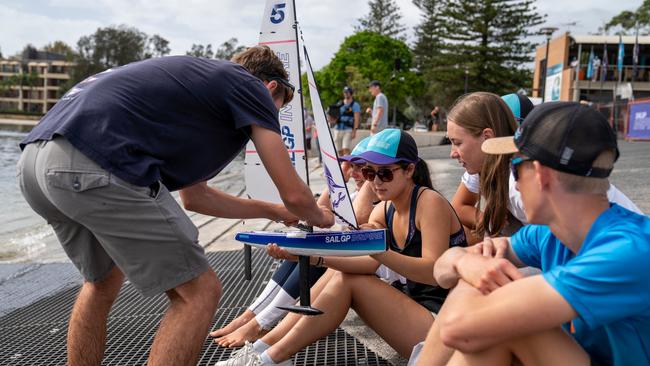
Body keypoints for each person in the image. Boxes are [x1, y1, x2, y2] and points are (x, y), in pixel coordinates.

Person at [16, 45, 334, 366]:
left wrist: (274, 212)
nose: (273, 116)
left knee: (102, 282)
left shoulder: (201, 93)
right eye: (278, 108)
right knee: (198, 292)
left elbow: (197, 198)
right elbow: (294, 194)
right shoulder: (249, 87)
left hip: (36, 163)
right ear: (272, 88)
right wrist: (320, 216)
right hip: (94, 162)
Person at [416, 101, 650, 366]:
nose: (513, 181)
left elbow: (456, 329)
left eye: (514, 167)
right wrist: (463, 262)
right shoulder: (548, 234)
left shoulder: (627, 251)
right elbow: (442, 270)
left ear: (540, 176)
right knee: (483, 289)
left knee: (498, 318)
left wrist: (476, 272)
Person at [217, 128, 468, 366]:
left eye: (385, 173)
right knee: (343, 274)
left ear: (409, 169)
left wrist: (380, 252)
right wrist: (309, 257)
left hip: (446, 325)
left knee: (348, 280)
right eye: (370, 173)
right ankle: (266, 350)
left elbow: (434, 272)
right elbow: (368, 264)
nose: (376, 182)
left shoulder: (429, 203)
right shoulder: (383, 209)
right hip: (420, 318)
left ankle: (270, 357)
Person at [210, 137, 378, 348]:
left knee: (313, 256)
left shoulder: (376, 194)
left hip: (366, 267)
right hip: (350, 259)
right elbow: (318, 214)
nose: (353, 173)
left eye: (361, 168)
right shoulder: (353, 191)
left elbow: (357, 226)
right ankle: (250, 316)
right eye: (351, 166)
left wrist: (369, 182)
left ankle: (259, 323)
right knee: (300, 249)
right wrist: (336, 179)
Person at [448, 92, 641, 244]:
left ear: (542, 174)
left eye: (457, 143)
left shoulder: (526, 192)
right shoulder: (494, 167)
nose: (452, 153)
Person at [333, 86, 361, 156]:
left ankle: (346, 165)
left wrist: (354, 131)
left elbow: (356, 119)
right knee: (339, 150)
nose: (345, 94)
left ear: (351, 93)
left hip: (348, 129)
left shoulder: (355, 105)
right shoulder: (340, 103)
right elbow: (335, 116)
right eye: (344, 92)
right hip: (338, 129)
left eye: (347, 92)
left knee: (345, 148)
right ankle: (341, 165)